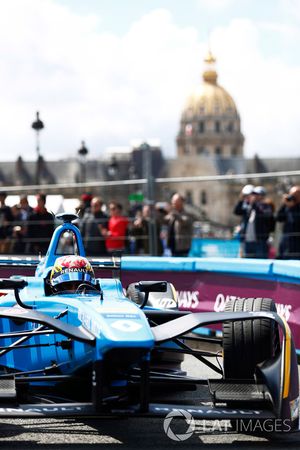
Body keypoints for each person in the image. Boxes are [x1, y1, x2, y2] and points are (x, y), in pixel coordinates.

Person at [242, 186, 275, 258]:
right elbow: (238, 211)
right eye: (253, 194)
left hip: (261, 240)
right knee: (248, 263)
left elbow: (266, 216)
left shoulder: (267, 205)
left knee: (261, 262)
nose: (254, 196)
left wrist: (255, 204)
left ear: (262, 195)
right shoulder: (250, 205)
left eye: (256, 194)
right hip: (248, 240)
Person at [276, 185, 300, 259]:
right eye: (291, 194)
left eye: (295, 195)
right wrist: (284, 204)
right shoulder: (287, 206)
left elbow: (295, 221)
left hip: (297, 241)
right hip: (286, 239)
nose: (292, 197)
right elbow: (278, 218)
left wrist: (293, 207)